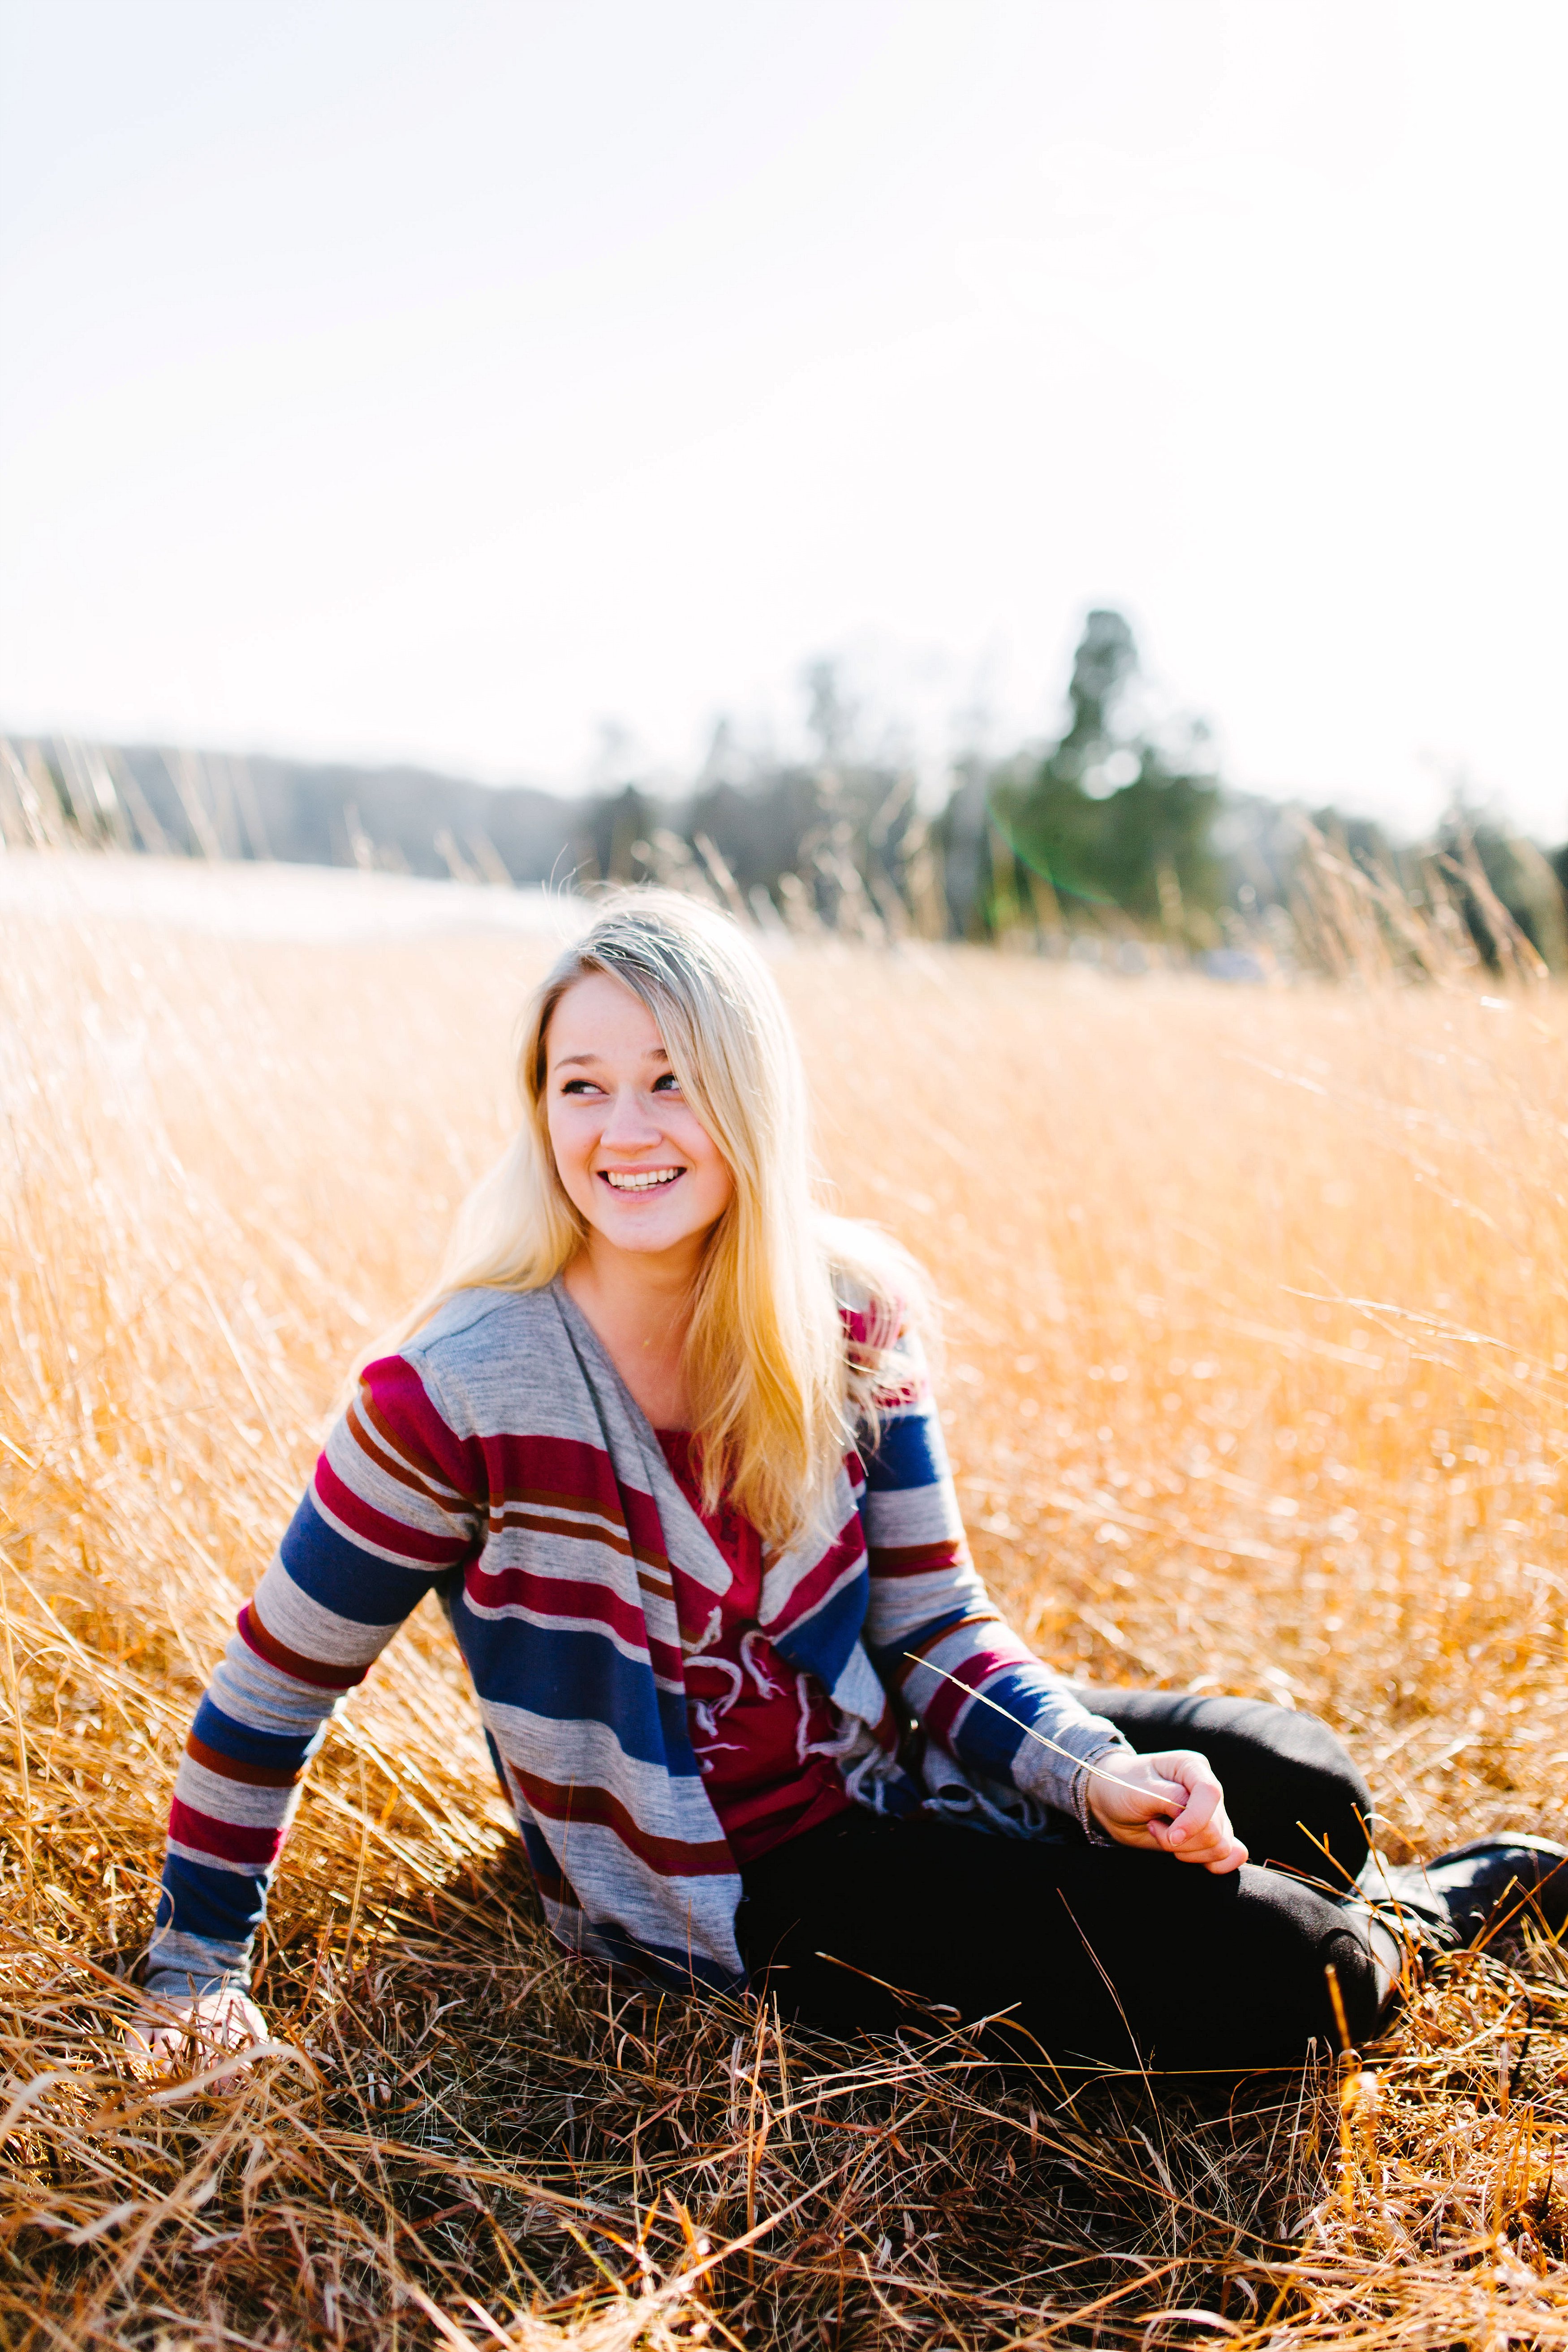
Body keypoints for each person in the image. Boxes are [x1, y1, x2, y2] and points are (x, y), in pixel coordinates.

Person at [136, 891, 1568, 2081]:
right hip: (752, 1879)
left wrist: (1092, 1773)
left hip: (898, 1753)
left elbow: (938, 1621)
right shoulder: (452, 1389)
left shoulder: (849, 1311)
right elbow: (272, 1689)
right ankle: (1410, 1921)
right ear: (541, 1110)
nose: (623, 1128)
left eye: (671, 1079)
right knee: (1299, 1980)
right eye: (583, 1084)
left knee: (1302, 1783)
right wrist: (193, 1971)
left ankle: (1303, 1873)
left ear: (748, 1095)